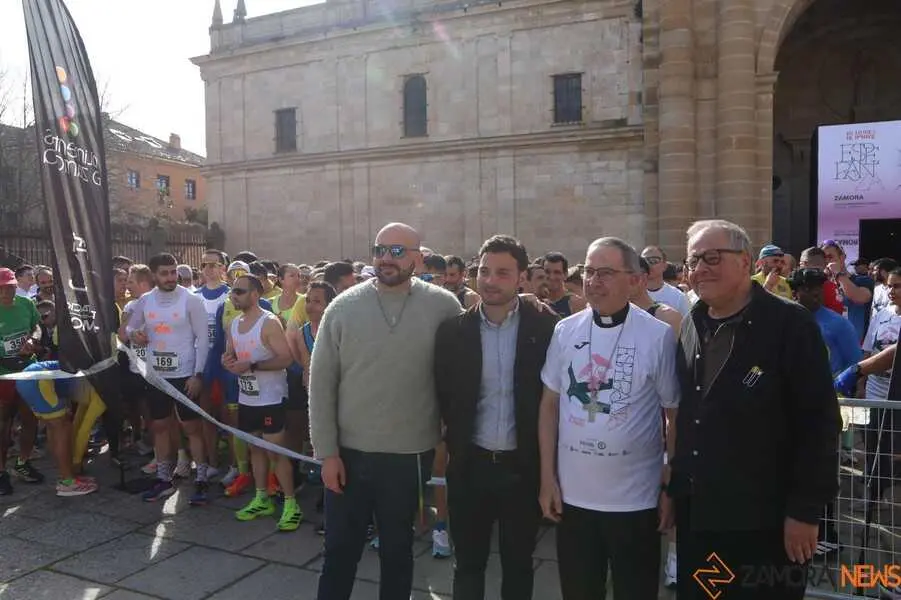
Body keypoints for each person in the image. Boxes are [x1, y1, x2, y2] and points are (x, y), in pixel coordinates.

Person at [671, 220, 841, 600]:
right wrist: (675, 488)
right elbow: (689, 415)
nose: (699, 269)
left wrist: (804, 511)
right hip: (703, 520)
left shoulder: (790, 324)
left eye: (712, 258)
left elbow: (819, 424)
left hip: (767, 524)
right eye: (693, 260)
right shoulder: (692, 323)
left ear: (746, 261)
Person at [309, 222, 462, 600]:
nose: (385, 259)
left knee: (397, 551)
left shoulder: (444, 306)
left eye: (397, 251)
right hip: (349, 455)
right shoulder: (342, 307)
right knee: (339, 553)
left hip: (409, 455)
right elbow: (321, 384)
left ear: (418, 259)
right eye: (379, 250)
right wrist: (327, 454)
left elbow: (464, 369)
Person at [537, 237, 679, 600]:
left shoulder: (658, 335)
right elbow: (549, 405)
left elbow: (673, 413)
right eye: (588, 271)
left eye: (605, 273)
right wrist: (546, 478)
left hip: (636, 500)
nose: (593, 281)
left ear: (634, 280)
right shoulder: (565, 330)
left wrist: (670, 484)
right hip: (574, 499)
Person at [435, 235, 557, 600]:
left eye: (503, 273)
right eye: (484, 271)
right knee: (468, 564)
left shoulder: (547, 328)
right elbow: (443, 395)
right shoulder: (453, 332)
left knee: (518, 564)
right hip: (470, 466)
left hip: (522, 469)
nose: (490, 280)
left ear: (522, 277)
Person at [125, 253, 211, 504]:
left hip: (185, 375)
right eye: (165, 273)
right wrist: (135, 334)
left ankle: (201, 479)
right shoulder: (145, 300)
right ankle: (163, 479)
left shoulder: (191, 300)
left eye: (173, 272)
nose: (171, 277)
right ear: (154, 275)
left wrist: (197, 374)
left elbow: (203, 340)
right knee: (160, 426)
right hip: (157, 377)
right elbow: (129, 328)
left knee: (192, 428)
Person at [223, 274, 302, 531]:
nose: (234, 295)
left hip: (271, 398)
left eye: (240, 291)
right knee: (255, 449)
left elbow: (286, 359)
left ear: (255, 295)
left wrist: (253, 365)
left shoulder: (268, 323)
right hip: (247, 398)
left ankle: (291, 503)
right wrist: (228, 361)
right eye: (233, 291)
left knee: (275, 452)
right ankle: (261, 498)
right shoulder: (233, 324)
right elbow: (231, 355)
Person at [15, 361, 98, 496]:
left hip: (30, 378)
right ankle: (68, 482)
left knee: (54, 427)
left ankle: (66, 477)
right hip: (39, 379)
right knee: (61, 427)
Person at [0, 267, 44, 494]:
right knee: (3, 423)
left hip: (28, 369)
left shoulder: (26, 304)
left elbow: (37, 326)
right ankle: (1, 472)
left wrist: (33, 340)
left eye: (9, 288)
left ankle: (22, 463)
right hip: (3, 374)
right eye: (1, 288)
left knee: (30, 418)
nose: (6, 293)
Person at [641, 246, 691, 316]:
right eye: (644, 261)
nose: (648, 264)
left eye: (654, 260)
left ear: (664, 266)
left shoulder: (678, 297)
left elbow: (687, 322)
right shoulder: (632, 295)